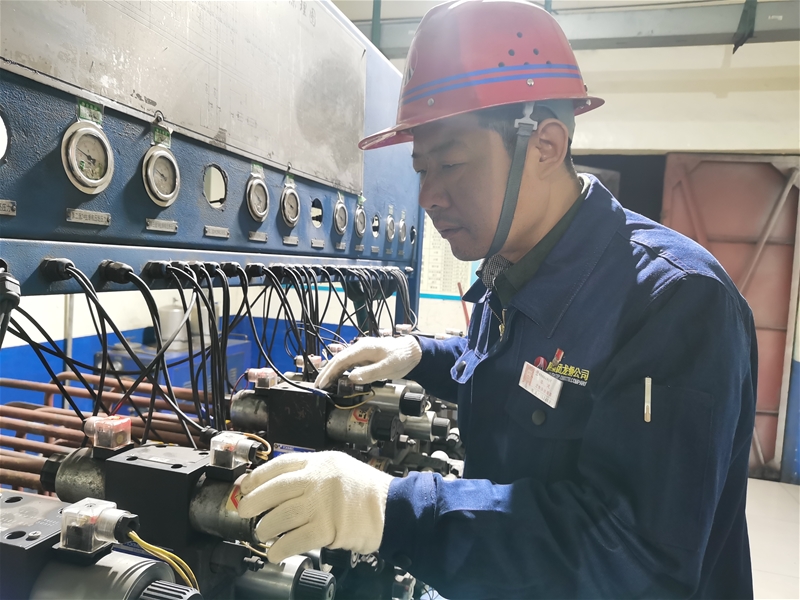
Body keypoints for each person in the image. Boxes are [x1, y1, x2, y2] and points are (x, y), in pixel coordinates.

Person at [237, 1, 757, 598]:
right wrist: (420, 354)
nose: (429, 196)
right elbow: (521, 371)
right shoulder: (513, 266)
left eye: (451, 163)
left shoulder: (676, 302)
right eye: (422, 169)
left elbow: (634, 559)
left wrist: (391, 508)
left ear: (545, 145)